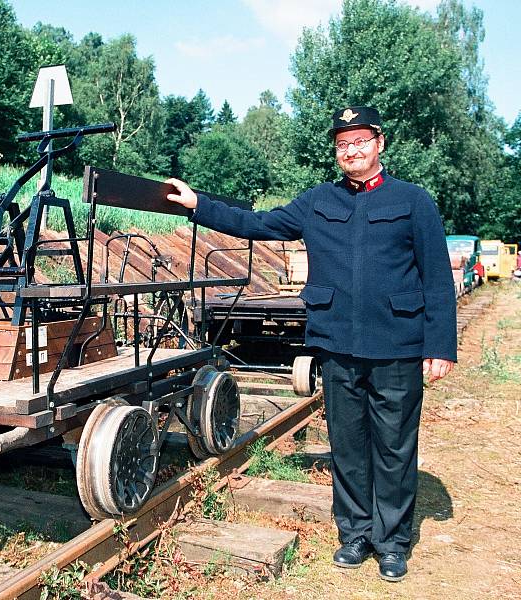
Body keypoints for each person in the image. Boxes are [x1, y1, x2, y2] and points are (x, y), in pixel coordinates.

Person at [165, 106, 456, 582]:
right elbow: (255, 223)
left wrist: (439, 346)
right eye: (343, 144)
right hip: (337, 343)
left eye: (360, 141)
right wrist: (200, 203)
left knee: (395, 446)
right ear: (336, 152)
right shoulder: (319, 201)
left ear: (379, 144)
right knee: (348, 443)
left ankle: (392, 542)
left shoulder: (413, 201)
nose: (352, 150)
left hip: (397, 346)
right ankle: (356, 534)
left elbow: (439, 280)